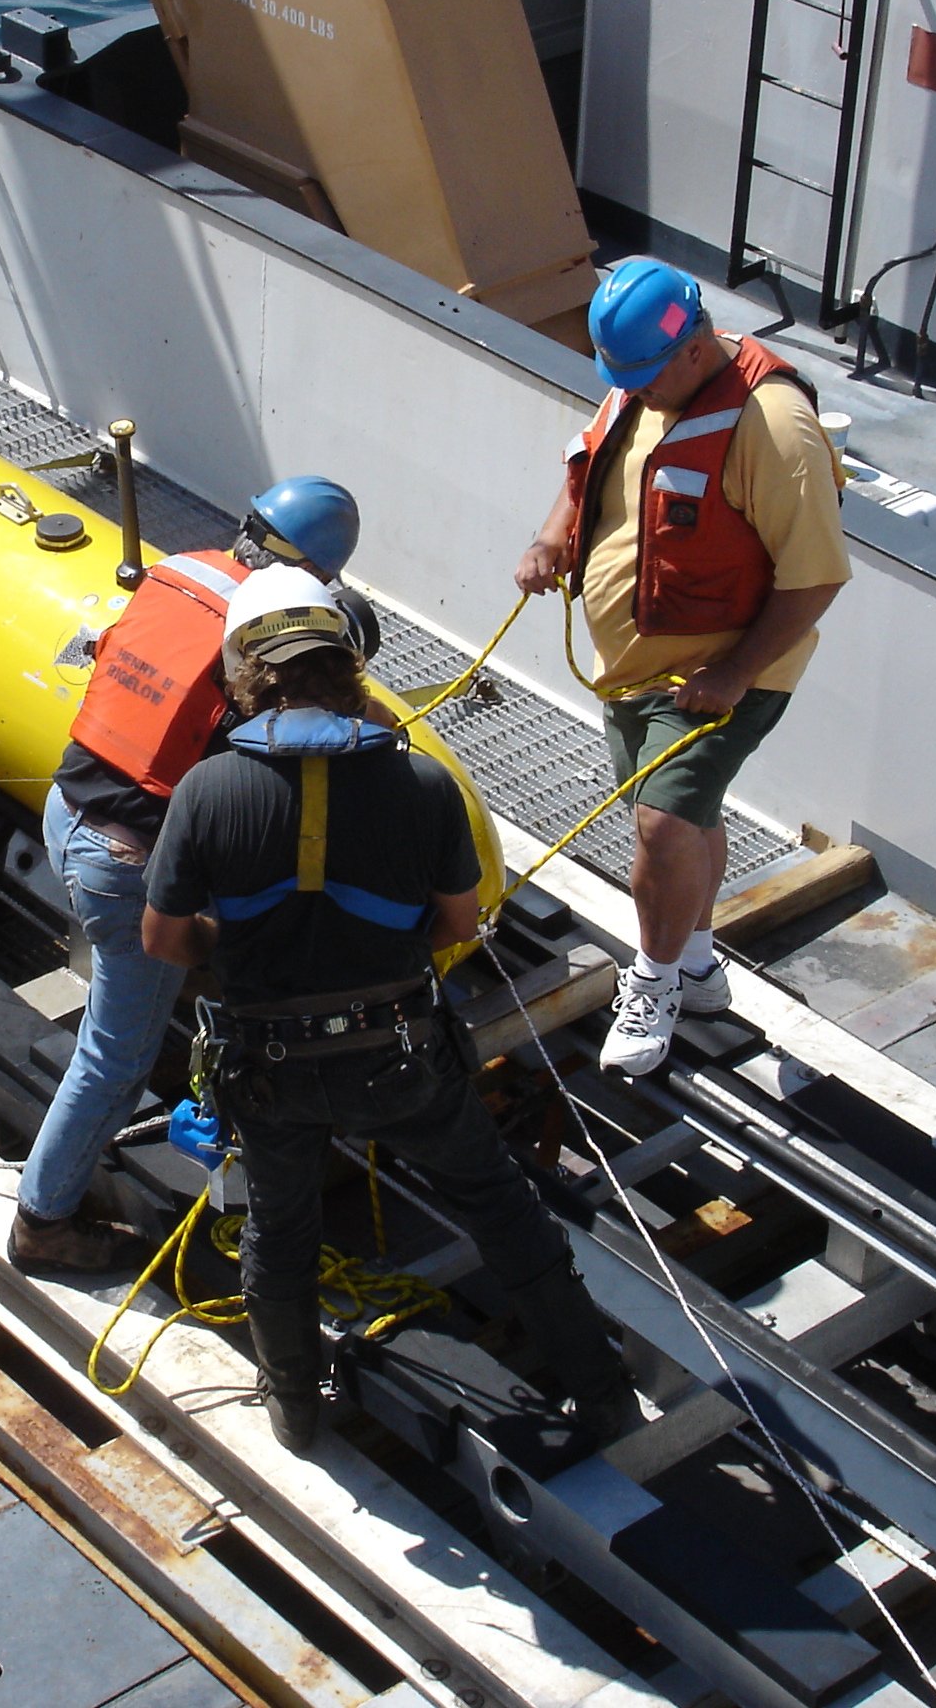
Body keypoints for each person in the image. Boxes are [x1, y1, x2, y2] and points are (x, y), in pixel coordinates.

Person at [142, 566, 638, 1452]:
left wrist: (245, 956)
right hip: (404, 1061)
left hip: (270, 1070)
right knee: (502, 1210)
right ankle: (602, 1396)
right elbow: (456, 921)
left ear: (243, 674)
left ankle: (295, 1408)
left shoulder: (205, 793)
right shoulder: (422, 786)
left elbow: (163, 939)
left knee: (280, 1229)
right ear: (350, 666)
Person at [9, 476, 366, 1276]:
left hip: (67, 814)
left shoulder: (185, 571)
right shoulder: (266, 637)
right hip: (123, 865)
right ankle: (43, 1224)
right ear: (318, 576)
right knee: (116, 1056)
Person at [513, 258, 849, 1075]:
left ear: (694, 348)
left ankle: (653, 983)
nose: (631, 390)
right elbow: (590, 468)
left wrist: (734, 674)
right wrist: (550, 540)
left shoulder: (773, 428)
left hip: (725, 672)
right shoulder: (642, 382)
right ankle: (697, 965)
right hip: (630, 667)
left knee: (660, 825)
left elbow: (815, 578)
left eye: (642, 376)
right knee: (686, 821)